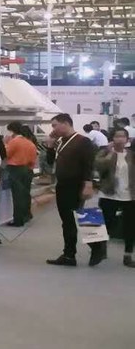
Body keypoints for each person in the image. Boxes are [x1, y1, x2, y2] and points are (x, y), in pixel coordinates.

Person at [45, 113, 97, 267]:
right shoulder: (61, 141)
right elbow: (50, 162)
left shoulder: (82, 141)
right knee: (68, 221)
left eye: (55, 125)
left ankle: (97, 247)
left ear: (66, 123)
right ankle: (69, 254)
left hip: (77, 185)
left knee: (83, 218)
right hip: (63, 185)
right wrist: (50, 146)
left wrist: (88, 183)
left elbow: (88, 164)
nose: (53, 129)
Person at [95, 127, 135, 268]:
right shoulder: (105, 152)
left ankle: (128, 255)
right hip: (109, 194)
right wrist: (110, 153)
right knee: (106, 224)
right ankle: (100, 250)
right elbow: (99, 167)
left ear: (127, 139)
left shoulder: (131, 155)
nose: (120, 139)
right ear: (112, 138)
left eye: (123, 136)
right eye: (117, 136)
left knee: (130, 226)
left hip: (129, 195)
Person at [5, 121, 37, 227]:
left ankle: (18, 220)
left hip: (16, 170)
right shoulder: (29, 143)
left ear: (12, 131)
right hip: (28, 169)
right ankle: (27, 215)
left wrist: (6, 143)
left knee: (17, 195)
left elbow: (6, 154)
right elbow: (33, 158)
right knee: (26, 193)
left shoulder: (14, 142)